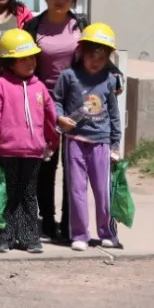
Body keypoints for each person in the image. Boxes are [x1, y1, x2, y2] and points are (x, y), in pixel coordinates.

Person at [0, 28, 58, 254]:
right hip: (7, 151)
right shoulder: (0, 86)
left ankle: (29, 237)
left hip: (33, 151)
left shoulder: (39, 86)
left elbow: (50, 116)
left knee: (28, 195)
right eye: (23, 58)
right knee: (7, 195)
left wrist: (52, 140)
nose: (30, 62)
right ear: (10, 61)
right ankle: (4, 236)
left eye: (32, 57)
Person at [25, 0, 86, 242]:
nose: (61, 0)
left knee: (74, 166)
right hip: (43, 103)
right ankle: (47, 220)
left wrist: (114, 74)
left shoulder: (81, 25)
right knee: (46, 166)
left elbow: (97, 55)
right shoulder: (33, 27)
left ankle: (70, 222)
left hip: (76, 104)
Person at [54, 23, 124, 252]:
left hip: (101, 143)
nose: (96, 61)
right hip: (74, 140)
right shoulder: (68, 76)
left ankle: (107, 233)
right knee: (76, 189)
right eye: (92, 56)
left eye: (102, 57)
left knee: (103, 190)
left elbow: (114, 113)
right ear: (81, 52)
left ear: (108, 58)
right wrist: (59, 117)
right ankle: (80, 234)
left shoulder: (110, 79)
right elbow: (56, 101)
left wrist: (115, 144)